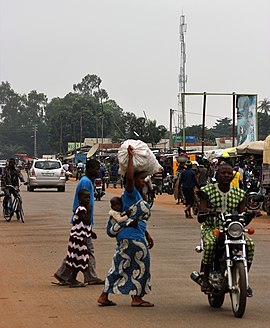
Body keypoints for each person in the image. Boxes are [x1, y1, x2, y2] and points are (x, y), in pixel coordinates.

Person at [97, 145, 154, 307]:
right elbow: (129, 179)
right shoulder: (130, 192)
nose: (143, 181)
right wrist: (130, 158)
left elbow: (136, 217)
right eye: (141, 178)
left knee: (120, 265)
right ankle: (137, 298)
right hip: (132, 237)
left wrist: (147, 233)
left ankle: (104, 296)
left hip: (131, 235)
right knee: (142, 265)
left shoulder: (136, 195)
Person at [198, 163, 255, 297]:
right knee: (211, 244)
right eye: (223, 173)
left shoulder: (240, 194)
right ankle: (205, 278)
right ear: (217, 174)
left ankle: (243, 280)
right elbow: (201, 216)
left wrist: (249, 215)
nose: (226, 175)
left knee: (250, 245)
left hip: (233, 231)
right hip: (212, 228)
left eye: (229, 173)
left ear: (233, 176)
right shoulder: (207, 191)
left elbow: (243, 218)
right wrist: (205, 213)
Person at [53, 159, 104, 286]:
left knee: (76, 251)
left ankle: (62, 274)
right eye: (96, 169)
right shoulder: (86, 182)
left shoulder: (86, 181)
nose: (98, 171)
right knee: (86, 251)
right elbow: (83, 204)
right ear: (90, 169)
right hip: (82, 224)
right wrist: (87, 225)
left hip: (83, 225)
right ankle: (89, 277)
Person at [66, 189, 92, 287]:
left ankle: (72, 278)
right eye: (85, 197)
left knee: (78, 258)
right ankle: (72, 279)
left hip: (80, 236)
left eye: (89, 197)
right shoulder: (81, 209)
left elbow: (81, 225)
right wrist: (89, 209)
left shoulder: (83, 208)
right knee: (80, 258)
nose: (88, 199)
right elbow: (86, 221)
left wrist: (90, 232)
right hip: (77, 238)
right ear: (80, 198)